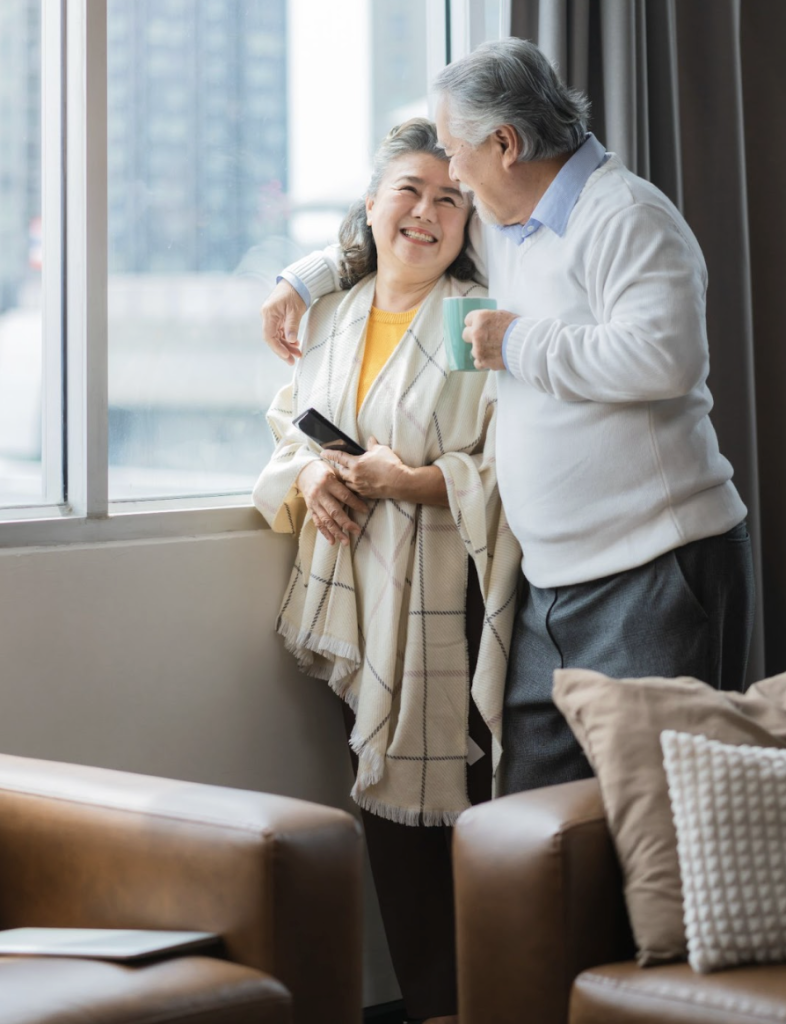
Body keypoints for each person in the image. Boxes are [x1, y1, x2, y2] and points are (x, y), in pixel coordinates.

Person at [260, 39, 755, 801]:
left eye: (458, 155)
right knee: (532, 815)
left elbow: (667, 360)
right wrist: (301, 279)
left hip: (657, 568)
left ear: (506, 143)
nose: (451, 176)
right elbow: (406, 229)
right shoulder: (509, 223)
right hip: (552, 583)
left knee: (654, 826)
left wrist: (515, 341)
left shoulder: (627, 216)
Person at [252, 118, 520, 1024]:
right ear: (371, 206)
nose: (427, 212)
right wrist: (316, 472)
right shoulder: (332, 310)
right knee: (389, 832)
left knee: (458, 820)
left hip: (448, 596)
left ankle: (471, 1004)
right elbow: (293, 420)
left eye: (451, 198)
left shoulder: (463, 321)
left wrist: (412, 481)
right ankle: (431, 1004)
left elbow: (501, 458)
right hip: (354, 599)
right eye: (409, 189)